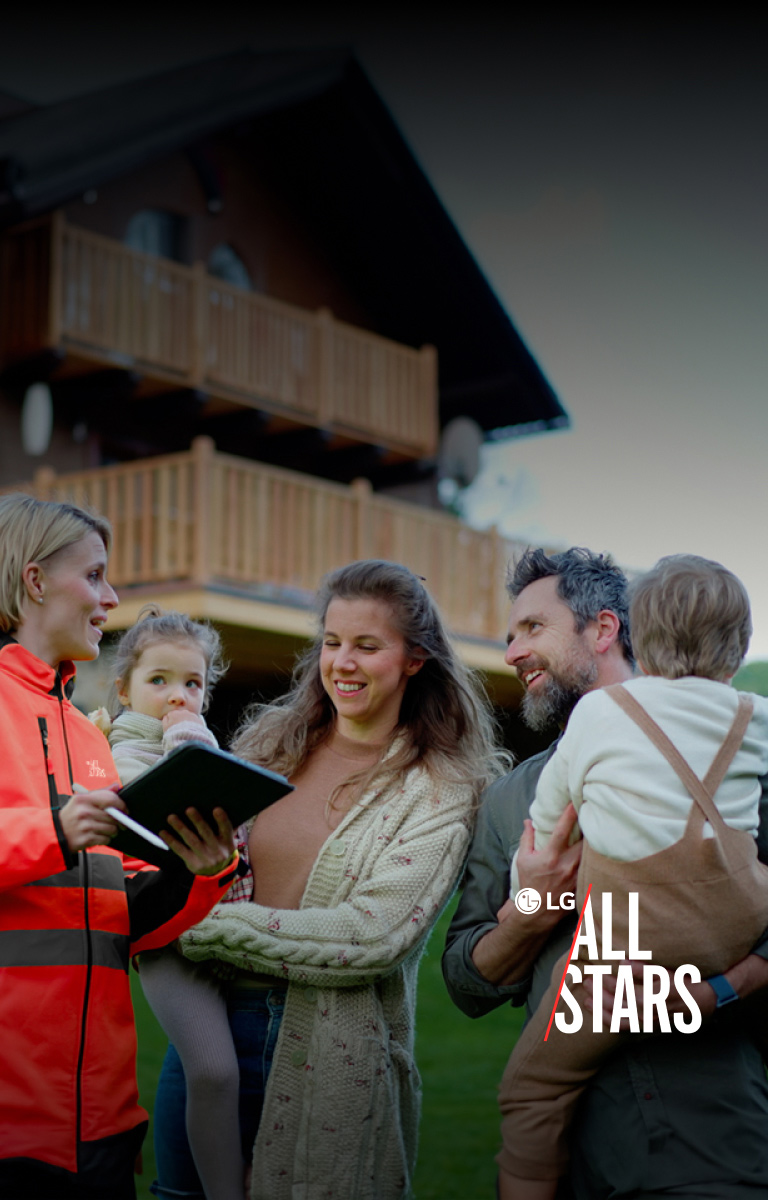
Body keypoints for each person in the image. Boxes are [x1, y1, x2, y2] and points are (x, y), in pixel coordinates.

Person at [151, 559, 505, 1200]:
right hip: (204, 1030)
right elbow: (212, 865)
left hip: (321, 1042)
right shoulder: (271, 745)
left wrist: (203, 927)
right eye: (333, 642)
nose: (342, 661)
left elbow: (372, 935)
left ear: (414, 659)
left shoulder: (441, 789)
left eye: (368, 646)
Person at [443, 547, 768, 1200]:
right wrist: (531, 907)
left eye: (533, 628)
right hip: (578, 1153)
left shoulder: (749, 769)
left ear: (604, 629)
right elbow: (464, 980)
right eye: (509, 637)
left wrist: (720, 991)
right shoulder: (509, 800)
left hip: (711, 1137)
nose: (511, 652)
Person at [0, 493, 239, 1200]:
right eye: (96, 576)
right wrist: (50, 831)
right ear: (36, 581)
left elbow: (125, 917)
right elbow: (50, 844)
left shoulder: (87, 735)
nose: (110, 598)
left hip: (101, 1125)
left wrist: (200, 872)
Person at [92, 605, 252, 1200]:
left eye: (193, 684)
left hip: (226, 925)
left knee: (206, 1070)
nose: (177, 697)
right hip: (168, 940)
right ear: (124, 688)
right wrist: (187, 735)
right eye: (158, 681)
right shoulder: (122, 754)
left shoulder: (185, 737)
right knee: (214, 1070)